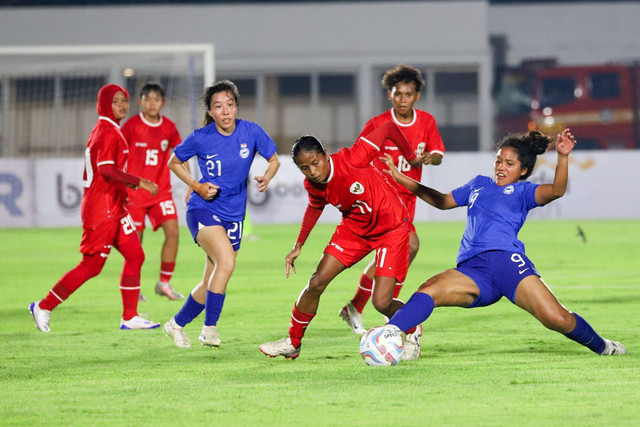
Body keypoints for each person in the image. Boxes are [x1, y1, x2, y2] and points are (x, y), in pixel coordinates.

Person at [381, 128, 627, 356]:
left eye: (509, 163)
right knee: (428, 289)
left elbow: (556, 191)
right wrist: (401, 178)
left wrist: (563, 157)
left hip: (508, 265)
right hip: (472, 270)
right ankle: (389, 334)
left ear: (522, 170)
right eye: (498, 161)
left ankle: (604, 347)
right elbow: (443, 201)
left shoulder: (523, 192)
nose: (500, 167)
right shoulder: (479, 184)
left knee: (557, 319)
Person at [259, 121, 431, 360]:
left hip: (392, 227)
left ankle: (413, 330)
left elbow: (390, 128)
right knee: (317, 281)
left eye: (315, 163)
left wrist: (411, 157)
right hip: (354, 228)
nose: (313, 172)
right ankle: (293, 342)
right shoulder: (313, 185)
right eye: (304, 168)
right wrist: (298, 245)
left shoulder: (354, 157)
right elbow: (315, 206)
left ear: (326, 155)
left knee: (381, 302)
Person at [29, 84, 161, 332]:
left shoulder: (108, 129)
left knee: (136, 255)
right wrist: (138, 181)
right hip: (102, 210)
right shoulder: (106, 131)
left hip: (115, 207)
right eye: (116, 101)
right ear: (104, 105)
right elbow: (105, 169)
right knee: (91, 266)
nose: (122, 105)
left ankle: (129, 317)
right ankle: (43, 306)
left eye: (124, 100)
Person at [162, 80, 279, 349]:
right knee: (226, 263)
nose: (225, 111)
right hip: (203, 209)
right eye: (218, 107)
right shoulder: (201, 137)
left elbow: (274, 160)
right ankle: (209, 329)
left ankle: (176, 324)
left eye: (230, 105)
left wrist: (266, 178)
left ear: (236, 107)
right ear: (211, 112)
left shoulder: (251, 132)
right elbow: (174, 162)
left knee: (211, 281)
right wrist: (196, 186)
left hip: (234, 215)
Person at [339, 64, 445, 335]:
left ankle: (357, 306)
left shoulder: (426, 122)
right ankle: (390, 311)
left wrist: (428, 158)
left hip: (407, 201)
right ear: (390, 94)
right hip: (380, 201)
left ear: (416, 96)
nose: (402, 100)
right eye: (398, 94)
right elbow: (357, 158)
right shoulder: (377, 124)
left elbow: (438, 155)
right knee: (409, 246)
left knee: (397, 254)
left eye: (408, 94)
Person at [122, 82, 184, 301]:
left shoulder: (168, 127)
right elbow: (118, 156)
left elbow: (180, 156)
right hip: (134, 195)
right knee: (135, 244)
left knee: (173, 232)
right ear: (140, 102)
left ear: (162, 102)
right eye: (147, 99)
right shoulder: (130, 126)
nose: (151, 103)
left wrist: (191, 184)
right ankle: (134, 287)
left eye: (156, 99)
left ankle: (164, 283)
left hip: (160, 192)